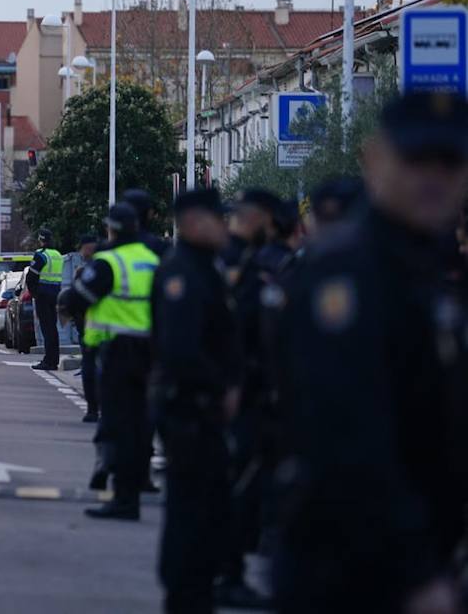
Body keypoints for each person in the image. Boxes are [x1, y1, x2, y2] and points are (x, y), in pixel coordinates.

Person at [273, 92, 468, 614]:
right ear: (376, 159)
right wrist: (417, 573)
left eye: (449, 163)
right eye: (416, 159)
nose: (434, 178)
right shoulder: (347, 275)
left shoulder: (429, 269)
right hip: (353, 568)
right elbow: (348, 439)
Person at [151, 188, 241, 613]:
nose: (223, 225)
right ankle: (185, 593)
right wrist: (222, 388)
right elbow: (182, 348)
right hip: (190, 406)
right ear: (190, 223)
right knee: (191, 507)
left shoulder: (206, 268)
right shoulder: (183, 273)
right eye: (215, 218)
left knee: (207, 506)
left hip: (201, 406)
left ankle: (198, 587)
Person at [62, 203, 158, 520]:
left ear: (112, 229)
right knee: (142, 423)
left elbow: (78, 296)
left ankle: (123, 495)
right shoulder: (153, 260)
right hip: (152, 352)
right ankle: (139, 480)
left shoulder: (109, 262)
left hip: (118, 350)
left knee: (117, 423)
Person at [217, 187, 283, 609]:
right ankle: (227, 574)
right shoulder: (240, 264)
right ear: (258, 218)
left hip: (235, 390)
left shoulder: (232, 261)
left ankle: (227, 571)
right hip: (237, 392)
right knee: (235, 484)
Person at [59, 234, 100, 422]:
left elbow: (76, 298)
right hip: (131, 331)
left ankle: (93, 409)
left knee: (91, 367)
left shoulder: (91, 270)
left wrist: (69, 313)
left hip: (95, 329)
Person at [24, 228, 64, 371]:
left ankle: (48, 361)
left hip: (43, 295)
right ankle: (54, 359)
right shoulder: (58, 255)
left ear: (41, 240)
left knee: (46, 329)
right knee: (53, 328)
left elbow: (31, 277)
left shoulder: (41, 255)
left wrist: (34, 293)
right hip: (56, 294)